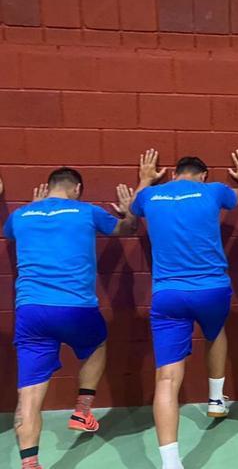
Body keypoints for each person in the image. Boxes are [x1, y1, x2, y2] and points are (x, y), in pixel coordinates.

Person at [129, 149, 238, 469]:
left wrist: (144, 179)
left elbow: (134, 206)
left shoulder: (152, 195)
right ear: (202, 176)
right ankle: (215, 399)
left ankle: (171, 463)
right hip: (212, 291)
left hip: (168, 295)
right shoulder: (213, 191)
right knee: (216, 332)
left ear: (173, 175)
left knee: (167, 379)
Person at [4, 168, 137, 469]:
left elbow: (10, 232)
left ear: (48, 187)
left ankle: (30, 464)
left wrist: (35, 207)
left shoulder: (21, 215)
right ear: (76, 188)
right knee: (98, 343)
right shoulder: (87, 212)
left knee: (29, 397)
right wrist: (129, 214)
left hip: (31, 312)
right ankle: (82, 409)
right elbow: (125, 230)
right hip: (76, 309)